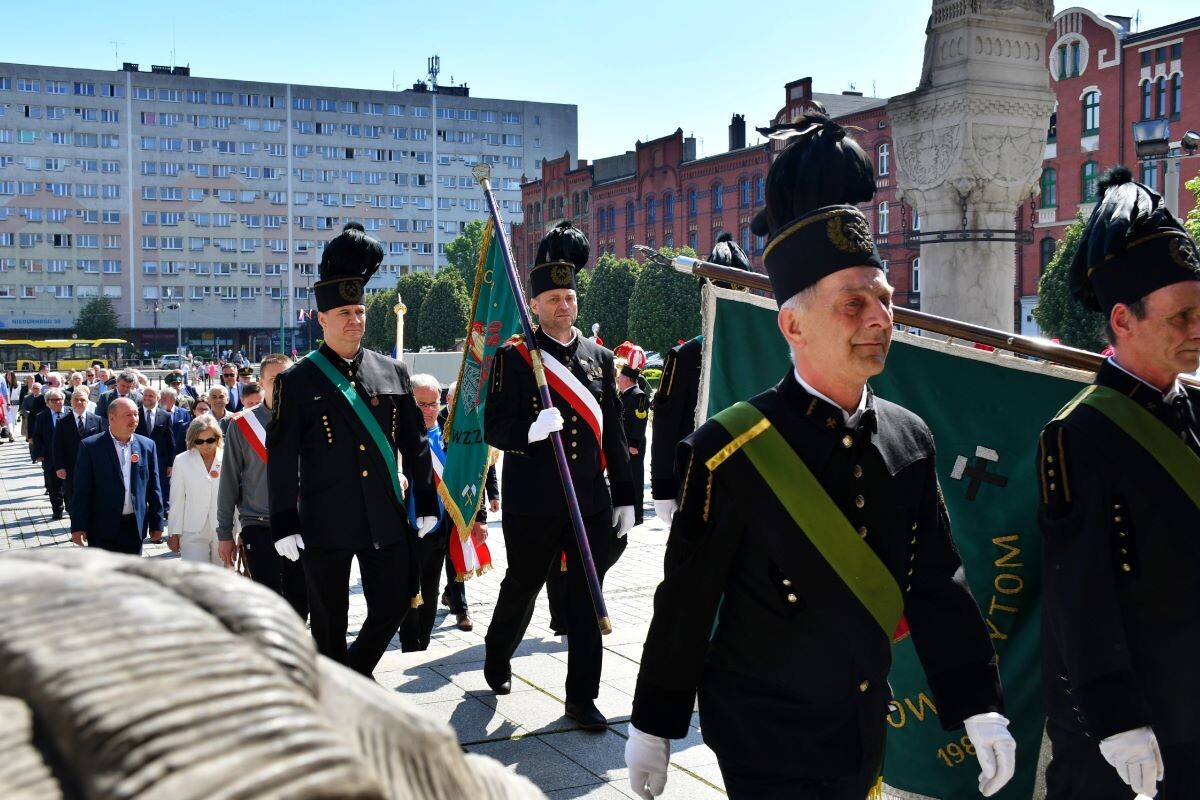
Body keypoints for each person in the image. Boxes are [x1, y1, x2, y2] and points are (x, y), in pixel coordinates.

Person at [625, 111, 1016, 800]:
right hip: (763, 736)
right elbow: (687, 599)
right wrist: (654, 722)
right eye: (854, 303)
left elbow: (936, 583)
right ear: (793, 325)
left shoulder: (909, 437)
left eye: (887, 299)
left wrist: (977, 702)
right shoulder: (729, 452)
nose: (880, 318)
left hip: (861, 722)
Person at [1037, 166, 1200, 800]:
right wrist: (1117, 717)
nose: (1196, 328)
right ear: (1124, 319)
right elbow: (1079, 593)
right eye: (1181, 316)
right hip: (1129, 735)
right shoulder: (1077, 434)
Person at [482, 220, 636, 730]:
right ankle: (498, 651)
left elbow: (612, 431)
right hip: (534, 500)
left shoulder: (600, 359)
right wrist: (529, 429)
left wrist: (626, 497)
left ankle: (581, 699)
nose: (563, 305)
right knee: (523, 584)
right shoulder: (514, 357)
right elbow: (494, 426)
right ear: (537, 303)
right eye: (552, 298)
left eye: (569, 296)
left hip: (588, 499)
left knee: (586, 595)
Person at [268, 222, 437, 677]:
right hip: (325, 518)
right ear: (322, 319)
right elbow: (281, 456)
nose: (354, 320)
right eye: (343, 312)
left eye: (359, 310)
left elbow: (414, 443)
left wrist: (426, 497)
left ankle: (352, 676)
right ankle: (335, 694)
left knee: (397, 600)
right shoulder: (297, 381)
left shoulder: (393, 372)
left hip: (383, 512)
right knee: (328, 620)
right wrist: (283, 520)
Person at [648, 233, 750, 526]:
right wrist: (663, 488)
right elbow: (666, 427)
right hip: (697, 483)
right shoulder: (686, 356)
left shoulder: (761, 351)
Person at [398, 374, 491, 651]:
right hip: (403, 526)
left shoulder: (453, 434)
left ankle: (421, 641)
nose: (428, 411)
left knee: (430, 587)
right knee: (401, 589)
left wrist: (479, 516)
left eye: (433, 404)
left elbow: (473, 476)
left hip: (441, 528)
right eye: (420, 404)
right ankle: (406, 636)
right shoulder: (395, 432)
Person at [218, 353, 307, 617]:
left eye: (288, 378)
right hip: (259, 524)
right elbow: (229, 480)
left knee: (300, 602)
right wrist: (225, 532)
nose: (282, 385)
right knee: (268, 602)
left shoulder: (310, 419)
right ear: (262, 382)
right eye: (274, 379)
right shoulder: (242, 425)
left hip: (302, 524)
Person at [70, 397, 165, 554]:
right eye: (128, 415)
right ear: (111, 418)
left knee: (132, 575)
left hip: (134, 527)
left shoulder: (147, 445)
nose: (134, 419)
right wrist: (78, 525)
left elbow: (154, 487)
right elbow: (82, 490)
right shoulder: (91, 447)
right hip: (101, 527)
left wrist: (157, 523)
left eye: (136, 414)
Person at [167, 416, 225, 565]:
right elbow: (177, 499)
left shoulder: (228, 457)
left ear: (217, 438)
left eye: (210, 440)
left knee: (224, 579)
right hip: (192, 529)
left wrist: (239, 530)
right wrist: (174, 533)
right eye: (199, 441)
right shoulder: (181, 460)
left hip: (224, 529)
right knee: (197, 580)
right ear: (192, 441)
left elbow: (236, 496)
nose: (205, 445)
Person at [52, 385, 103, 518]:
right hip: (70, 468)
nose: (79, 402)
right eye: (76, 400)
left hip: (93, 468)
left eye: (82, 400)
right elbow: (57, 447)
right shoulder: (62, 422)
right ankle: (76, 527)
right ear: (71, 401)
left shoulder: (96, 420)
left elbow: (102, 444)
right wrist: (59, 467)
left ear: (88, 402)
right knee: (72, 500)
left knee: (93, 498)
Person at [617, 344, 650, 527]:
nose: (618, 380)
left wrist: (634, 445)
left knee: (635, 479)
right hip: (624, 444)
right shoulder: (624, 395)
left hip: (633, 446)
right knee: (625, 478)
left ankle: (637, 515)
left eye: (620, 377)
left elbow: (640, 422)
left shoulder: (639, 396)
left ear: (628, 379)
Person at [138, 387, 177, 514]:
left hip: (160, 460)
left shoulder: (165, 415)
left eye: (151, 395)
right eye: (145, 395)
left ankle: (160, 512)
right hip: (138, 459)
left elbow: (170, 441)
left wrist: (171, 463)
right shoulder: (135, 414)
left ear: (158, 398)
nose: (147, 398)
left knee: (159, 487)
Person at [30, 388, 68, 519]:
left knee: (69, 485)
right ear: (48, 403)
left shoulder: (70, 413)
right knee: (53, 485)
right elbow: (37, 437)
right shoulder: (42, 417)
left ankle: (71, 508)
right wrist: (38, 454)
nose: (58, 402)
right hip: (50, 456)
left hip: (69, 456)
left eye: (60, 399)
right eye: (54, 400)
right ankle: (57, 509)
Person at [159, 387, 192, 455]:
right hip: (163, 454)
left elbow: (189, 432)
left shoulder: (184, 413)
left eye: (164, 398)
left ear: (173, 400)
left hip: (181, 452)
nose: (161, 400)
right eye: (161, 398)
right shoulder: (157, 413)